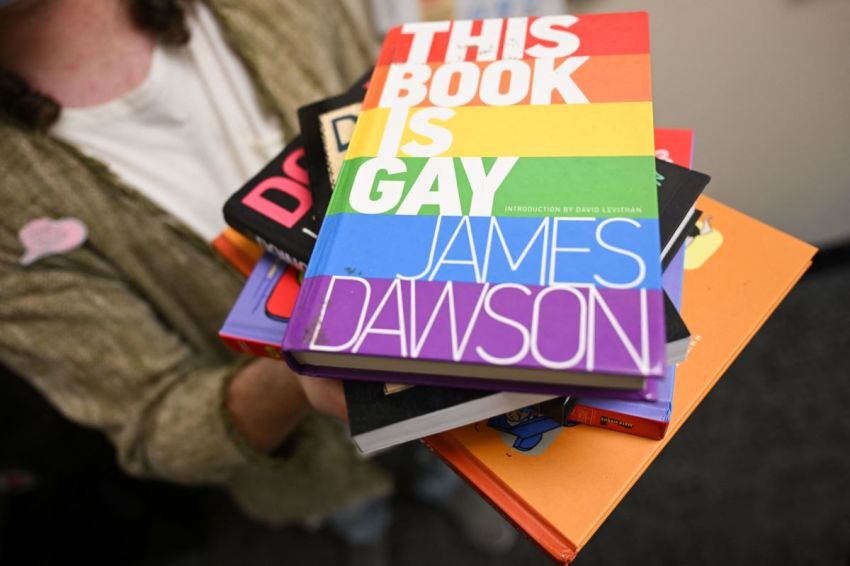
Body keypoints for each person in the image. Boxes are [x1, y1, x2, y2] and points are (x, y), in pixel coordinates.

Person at [0, 1, 519, 561]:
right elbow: (154, 425)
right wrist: (295, 368)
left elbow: (386, 103)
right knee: (349, 505)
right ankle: (364, 528)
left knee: (445, 449)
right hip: (304, 460)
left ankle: (447, 486)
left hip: (445, 338)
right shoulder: (14, 196)